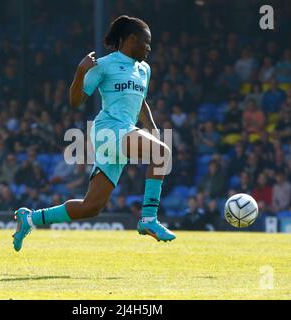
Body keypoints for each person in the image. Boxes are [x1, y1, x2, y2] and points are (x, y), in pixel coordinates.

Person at [12, 15, 175, 252]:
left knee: (92, 207)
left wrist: (151, 128)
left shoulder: (144, 70)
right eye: (146, 42)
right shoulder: (105, 65)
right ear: (130, 39)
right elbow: (75, 101)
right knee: (161, 153)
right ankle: (148, 219)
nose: (149, 48)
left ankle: (29, 218)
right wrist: (80, 72)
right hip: (108, 130)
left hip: (125, 132)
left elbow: (140, 102)